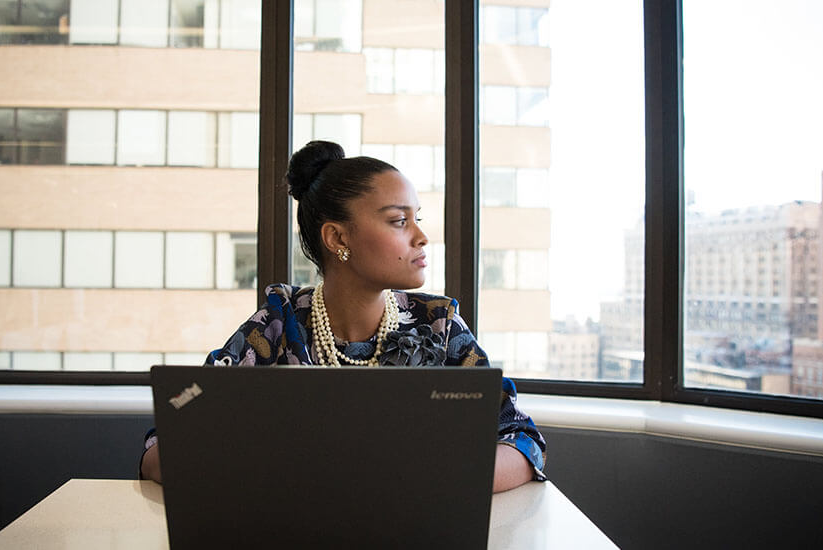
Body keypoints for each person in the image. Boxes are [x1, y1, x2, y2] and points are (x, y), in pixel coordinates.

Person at [140, 140, 546, 492]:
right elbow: (164, 444)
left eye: (416, 218)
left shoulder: (439, 325)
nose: (421, 237)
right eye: (398, 220)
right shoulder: (278, 324)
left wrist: (427, 480)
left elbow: (522, 440)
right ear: (337, 238)